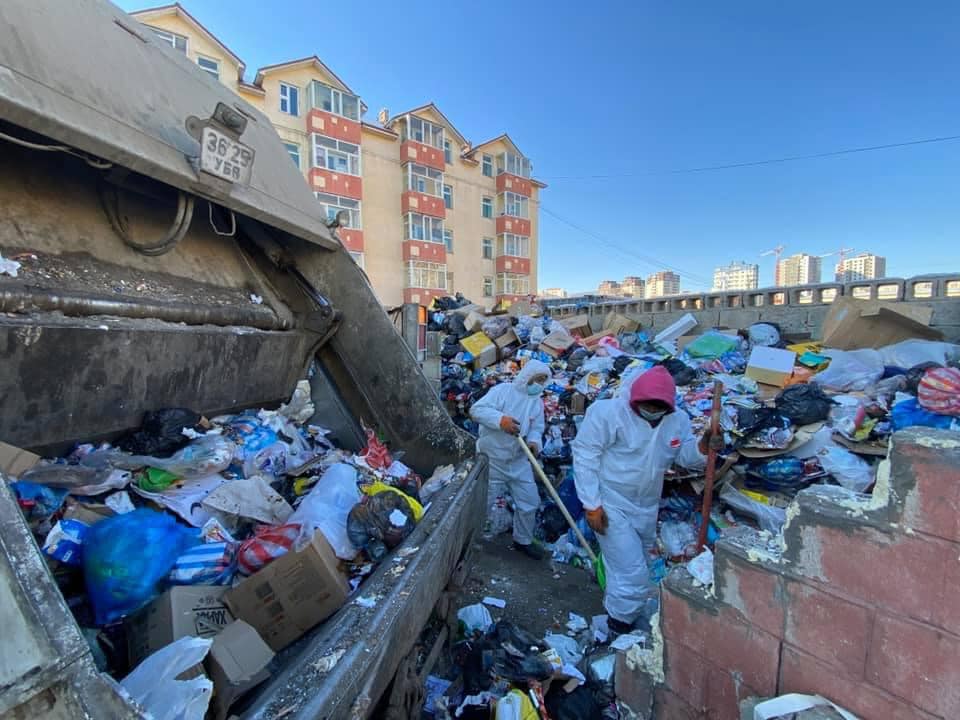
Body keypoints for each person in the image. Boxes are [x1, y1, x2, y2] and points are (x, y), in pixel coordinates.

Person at [571, 365, 720, 633]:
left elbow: (683, 456)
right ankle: (616, 626)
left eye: (658, 407)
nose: (651, 410)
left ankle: (621, 609)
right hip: (611, 500)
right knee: (632, 571)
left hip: (646, 504)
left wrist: (702, 446)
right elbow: (585, 456)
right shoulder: (608, 414)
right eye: (646, 405)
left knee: (639, 561)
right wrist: (592, 504)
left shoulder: (677, 421)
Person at [470, 360, 550, 559]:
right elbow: (477, 410)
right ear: (527, 376)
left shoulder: (537, 402)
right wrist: (500, 420)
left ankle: (522, 540)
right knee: (483, 503)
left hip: (518, 461)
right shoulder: (503, 391)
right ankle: (469, 540)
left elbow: (537, 427)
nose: (539, 384)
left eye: (543, 380)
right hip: (493, 459)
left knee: (530, 500)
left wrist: (534, 442)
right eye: (537, 379)